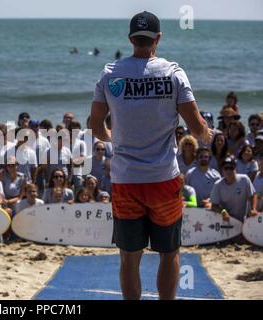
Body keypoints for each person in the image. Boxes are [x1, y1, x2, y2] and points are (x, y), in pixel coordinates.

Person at [89, 11, 212, 300]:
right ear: (158, 38)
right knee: (169, 252)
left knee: (129, 258)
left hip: (125, 180)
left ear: (131, 39)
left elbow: (95, 126)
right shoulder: (172, 73)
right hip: (162, 179)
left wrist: (112, 139)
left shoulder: (110, 73)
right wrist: (206, 134)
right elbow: (196, 127)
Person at [211, 157, 258, 223]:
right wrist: (222, 211)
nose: (228, 171)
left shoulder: (244, 179)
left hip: (243, 221)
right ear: (222, 170)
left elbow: (253, 195)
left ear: (236, 169)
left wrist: (253, 209)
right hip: (227, 221)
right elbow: (214, 205)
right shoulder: (218, 185)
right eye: (226, 168)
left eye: (231, 168)